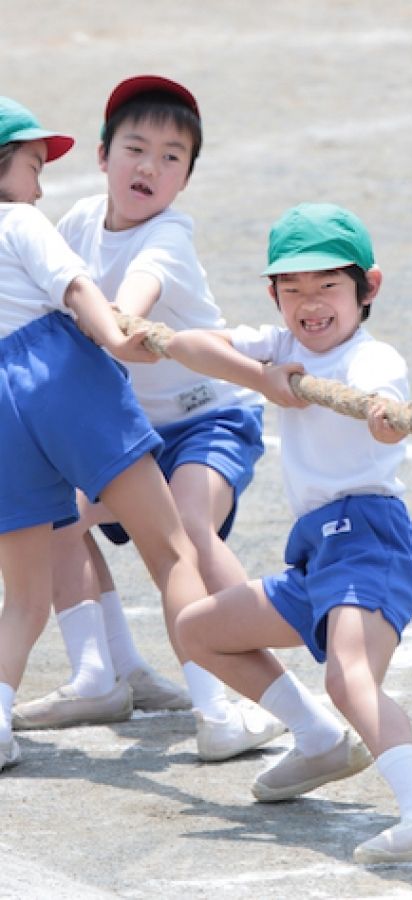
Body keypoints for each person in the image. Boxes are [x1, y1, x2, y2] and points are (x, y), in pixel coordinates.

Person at [11, 77, 301, 762]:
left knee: (189, 527)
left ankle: (242, 689)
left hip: (208, 422)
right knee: (52, 513)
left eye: (173, 157)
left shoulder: (170, 234)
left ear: (187, 179)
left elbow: (130, 300)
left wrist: (105, 326)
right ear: (103, 155)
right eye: (135, 148)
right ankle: (102, 674)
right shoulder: (77, 222)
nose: (150, 167)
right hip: (123, 432)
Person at [173, 203, 412, 863]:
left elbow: (382, 407)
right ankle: (317, 741)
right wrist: (265, 379)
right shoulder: (282, 348)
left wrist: (384, 416)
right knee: (197, 630)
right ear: (274, 295)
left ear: (369, 288)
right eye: (292, 289)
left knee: (350, 675)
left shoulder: (373, 357)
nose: (310, 303)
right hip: (319, 553)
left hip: (369, 538)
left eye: (328, 286)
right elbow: (190, 342)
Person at [0, 94, 205, 774]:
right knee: (172, 546)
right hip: (58, 375)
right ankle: (223, 706)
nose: (40, 182)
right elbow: (76, 288)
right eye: (33, 165)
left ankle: (2, 716)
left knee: (23, 596)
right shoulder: (23, 220)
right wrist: (118, 339)